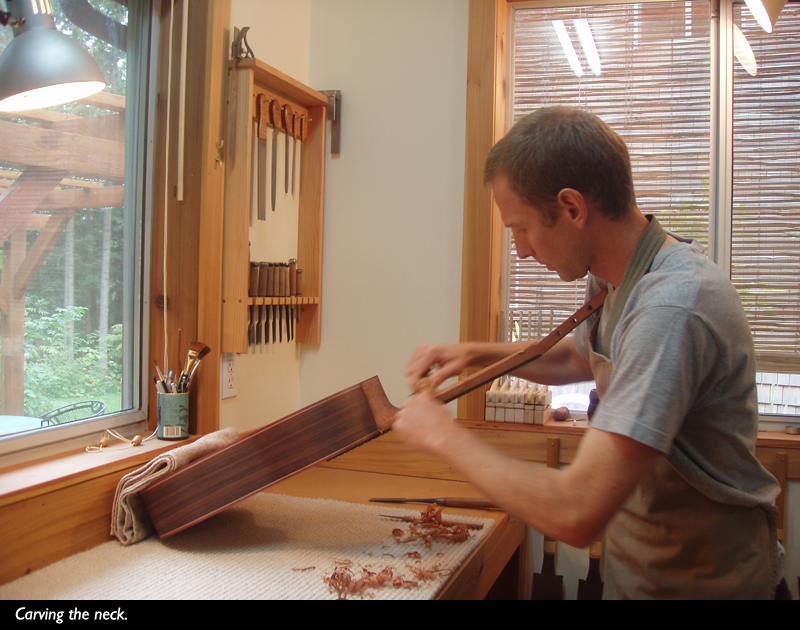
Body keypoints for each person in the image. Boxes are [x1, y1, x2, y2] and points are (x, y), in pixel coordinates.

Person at [393, 106, 784, 599]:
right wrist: (474, 354)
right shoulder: (616, 279)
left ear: (572, 208)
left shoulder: (672, 307)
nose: (522, 251)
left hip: (705, 585)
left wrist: (442, 437)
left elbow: (575, 512)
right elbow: (581, 358)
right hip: (641, 575)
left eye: (522, 228)